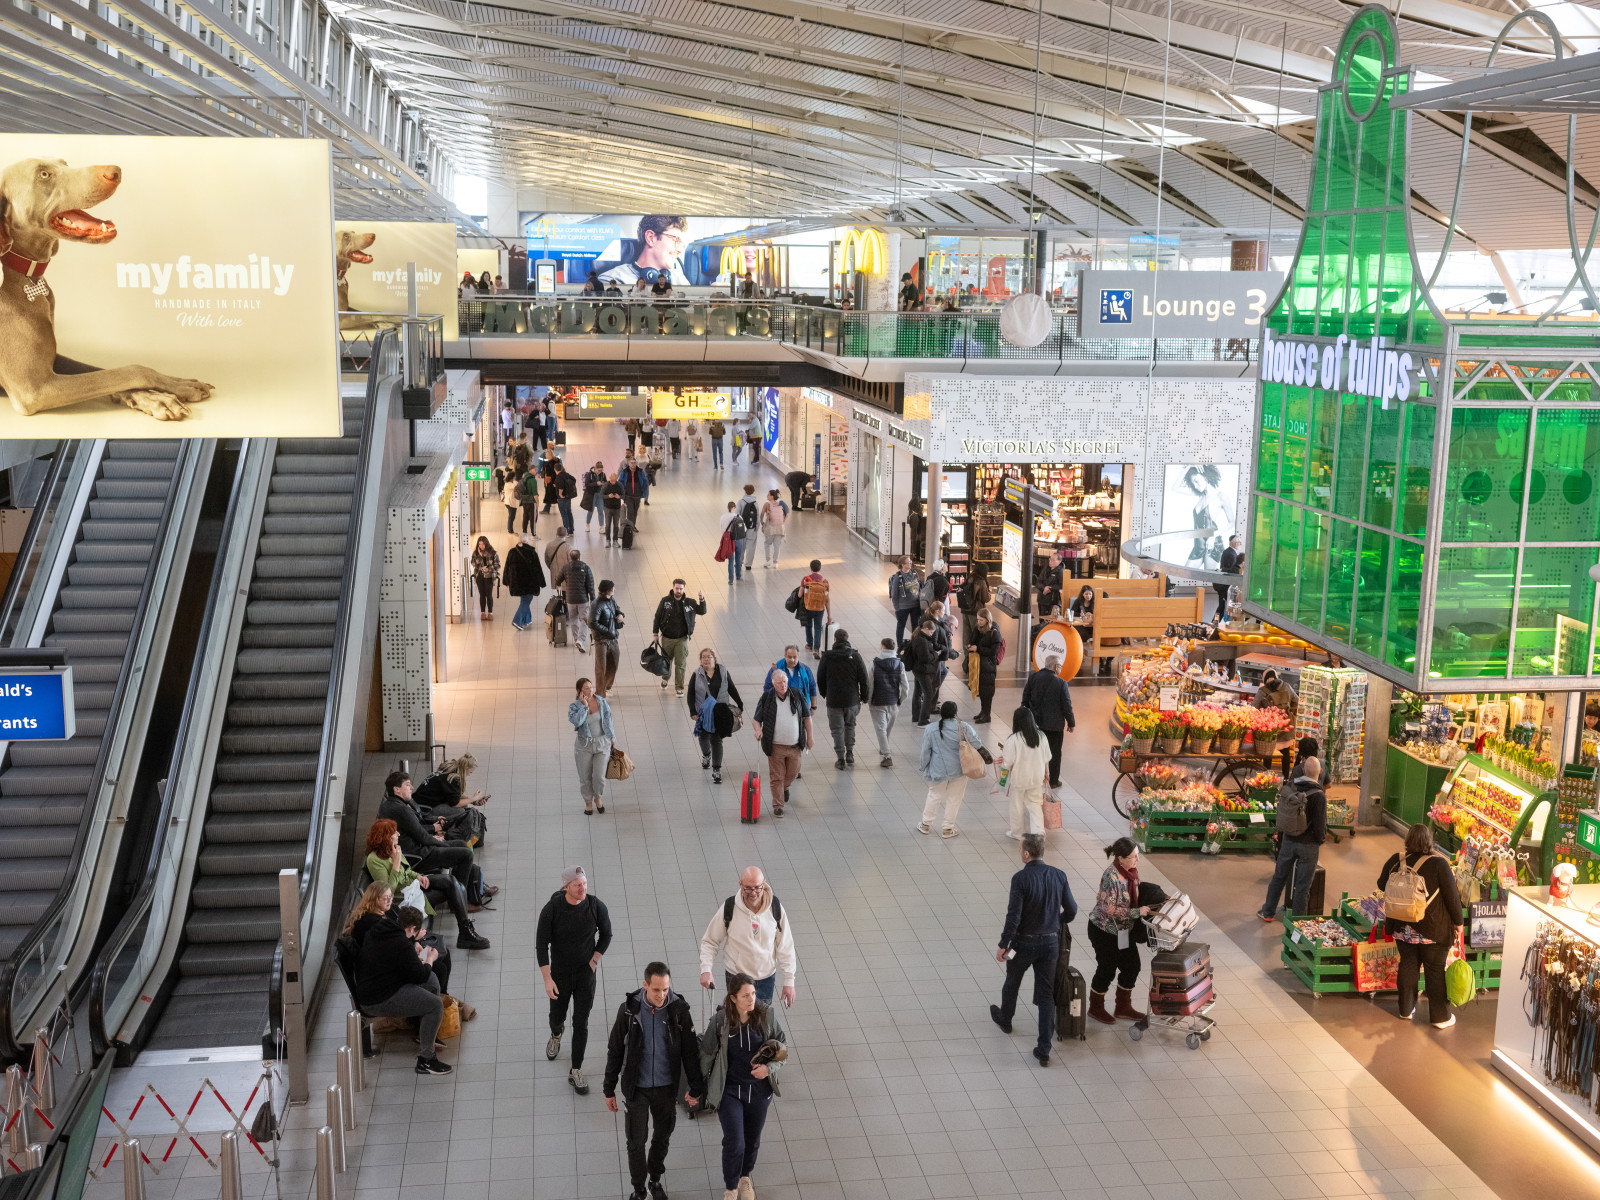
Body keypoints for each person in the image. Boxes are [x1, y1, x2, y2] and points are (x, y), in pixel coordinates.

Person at [602, 962, 705, 1200]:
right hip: (636, 1088)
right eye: (656, 989)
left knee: (662, 1137)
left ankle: (655, 1180)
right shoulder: (629, 1011)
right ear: (645, 985)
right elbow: (615, 1050)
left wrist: (696, 1087)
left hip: (666, 1089)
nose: (661, 995)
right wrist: (609, 1089)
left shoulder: (679, 1010)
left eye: (665, 989)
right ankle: (639, 1189)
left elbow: (690, 1052)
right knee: (635, 1143)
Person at [991, 834, 1076, 1067]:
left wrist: (1004, 944)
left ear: (1027, 853)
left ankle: (1006, 1019)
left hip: (1022, 944)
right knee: (1046, 993)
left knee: (1012, 981)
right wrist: (1055, 922)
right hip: (1050, 944)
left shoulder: (1020, 879)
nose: (1019, 851)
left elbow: (1014, 917)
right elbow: (1072, 910)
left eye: (1020, 848)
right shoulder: (1059, 875)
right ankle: (1044, 1049)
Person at [700, 976, 786, 1200]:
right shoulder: (721, 1021)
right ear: (733, 998)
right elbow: (706, 1054)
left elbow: (782, 1048)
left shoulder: (766, 1016)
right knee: (735, 1142)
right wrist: (696, 1088)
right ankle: (731, 1187)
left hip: (759, 1091)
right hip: (730, 1091)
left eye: (754, 994)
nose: (751, 999)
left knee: (752, 1141)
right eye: (745, 995)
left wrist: (769, 1069)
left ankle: (745, 1177)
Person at [1378, 824, 1464, 1029]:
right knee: (1435, 971)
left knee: (1408, 964)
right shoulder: (1439, 864)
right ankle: (1440, 1018)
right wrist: (1459, 923)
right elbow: (1452, 898)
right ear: (1429, 841)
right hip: (1432, 930)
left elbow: (1382, 884)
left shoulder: (1396, 860)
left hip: (1401, 926)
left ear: (1408, 840)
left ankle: (1405, 1010)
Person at [538, 866, 613, 1095]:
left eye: (585, 883)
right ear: (566, 886)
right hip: (560, 974)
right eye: (577, 885)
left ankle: (576, 1069)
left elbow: (606, 934)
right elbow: (541, 945)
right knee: (556, 1016)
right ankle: (556, 1034)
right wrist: (547, 979)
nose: (583, 888)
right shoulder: (552, 909)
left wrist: (594, 960)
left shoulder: (596, 906)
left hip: (584, 975)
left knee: (581, 1022)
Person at [356, 904, 452, 1075]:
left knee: (432, 981)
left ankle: (427, 1033)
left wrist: (412, 943)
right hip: (378, 999)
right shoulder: (400, 943)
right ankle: (426, 1060)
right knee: (435, 1005)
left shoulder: (384, 929)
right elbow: (419, 976)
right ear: (412, 928)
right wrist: (430, 959)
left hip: (376, 987)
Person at [365, 819, 490, 949]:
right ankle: (465, 933)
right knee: (454, 888)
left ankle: (465, 931)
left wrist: (419, 876)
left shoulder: (393, 849)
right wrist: (396, 863)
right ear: (385, 838)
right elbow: (388, 891)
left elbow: (407, 871)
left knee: (451, 881)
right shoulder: (374, 860)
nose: (398, 834)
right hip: (405, 900)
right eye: (394, 832)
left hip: (414, 886)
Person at [698, 868, 798, 1007]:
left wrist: (789, 980)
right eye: (748, 888)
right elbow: (710, 941)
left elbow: (786, 945)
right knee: (737, 1019)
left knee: (761, 1019)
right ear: (740, 884)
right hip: (737, 978)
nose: (753, 892)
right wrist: (706, 969)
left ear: (764, 883)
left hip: (765, 979)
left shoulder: (775, 908)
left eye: (757, 887)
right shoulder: (730, 907)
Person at [377, 770, 476, 892]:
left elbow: (416, 828)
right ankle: (460, 894)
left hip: (417, 848)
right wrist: (441, 843)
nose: (412, 787)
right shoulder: (401, 809)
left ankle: (467, 888)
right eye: (407, 785)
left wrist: (435, 834)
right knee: (466, 855)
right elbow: (422, 836)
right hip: (418, 855)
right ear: (397, 789)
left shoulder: (392, 805)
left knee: (461, 844)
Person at [1255, 757, 1328, 922]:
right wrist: (1319, 841)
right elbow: (1320, 825)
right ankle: (1297, 923)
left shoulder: (1292, 786)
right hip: (1309, 845)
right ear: (1320, 772)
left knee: (1279, 877)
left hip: (1288, 839)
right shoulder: (1319, 796)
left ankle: (1268, 912)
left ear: (1303, 770)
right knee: (1303, 886)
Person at [1086, 837, 1150, 1024]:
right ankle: (1095, 1008)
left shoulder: (1131, 873)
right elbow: (1108, 909)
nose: (1137, 860)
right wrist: (1137, 912)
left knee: (1132, 966)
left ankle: (1123, 1007)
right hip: (1104, 931)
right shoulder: (1111, 876)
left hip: (1123, 930)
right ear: (1120, 858)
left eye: (1137, 855)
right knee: (1107, 969)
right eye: (1133, 857)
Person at [918, 700, 985, 839]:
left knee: (934, 795)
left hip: (938, 770)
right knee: (954, 798)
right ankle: (948, 828)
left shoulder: (931, 729)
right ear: (955, 713)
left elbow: (925, 752)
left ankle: (925, 824)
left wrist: (923, 766)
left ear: (941, 713)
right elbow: (977, 743)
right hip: (959, 770)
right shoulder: (964, 727)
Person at [752, 668, 812, 817]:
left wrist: (810, 737)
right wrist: (758, 730)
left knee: (793, 773)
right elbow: (756, 720)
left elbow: (807, 717)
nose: (783, 685)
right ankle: (778, 805)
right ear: (773, 684)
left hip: (795, 745)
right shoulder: (767, 698)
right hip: (775, 746)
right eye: (779, 683)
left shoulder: (797, 695)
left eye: (784, 682)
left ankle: (784, 787)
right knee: (777, 776)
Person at [688, 648, 743, 785]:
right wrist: (692, 711)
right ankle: (706, 755)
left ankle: (716, 769)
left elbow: (731, 688)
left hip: (720, 711)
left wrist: (740, 703)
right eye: (703, 657)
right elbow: (690, 693)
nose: (706, 659)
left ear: (714, 658)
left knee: (716, 740)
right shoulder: (697, 674)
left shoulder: (723, 671)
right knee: (703, 737)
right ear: (700, 660)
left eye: (709, 656)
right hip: (703, 712)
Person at [816, 627, 868, 769]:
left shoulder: (827, 656)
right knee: (850, 725)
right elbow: (864, 678)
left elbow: (820, 677)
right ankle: (850, 753)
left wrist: (824, 693)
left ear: (834, 639)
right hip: (852, 700)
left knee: (837, 729)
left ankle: (840, 759)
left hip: (834, 700)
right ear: (847, 639)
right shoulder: (855, 656)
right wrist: (864, 697)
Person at [1021, 657, 1075, 791]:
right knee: (1054, 753)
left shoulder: (1033, 678)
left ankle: (1034, 778)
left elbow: (1025, 699)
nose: (1061, 668)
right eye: (1060, 666)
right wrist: (1071, 722)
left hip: (1035, 724)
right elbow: (1066, 705)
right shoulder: (1061, 683)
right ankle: (1053, 781)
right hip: (1054, 726)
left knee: (1035, 751)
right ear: (1056, 666)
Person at [596, 214, 689, 289]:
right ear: (650, 238)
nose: (680, 250)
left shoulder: (679, 279)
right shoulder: (612, 280)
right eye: (675, 239)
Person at [1000, 709, 1050, 839]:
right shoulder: (1041, 736)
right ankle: (1039, 832)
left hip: (1019, 778)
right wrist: (1047, 773)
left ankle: (1017, 833)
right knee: (1035, 804)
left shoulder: (1014, 739)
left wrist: (1002, 777)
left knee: (1016, 805)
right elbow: (1046, 758)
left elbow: (1007, 762)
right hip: (1036, 777)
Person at [651, 579, 707, 695]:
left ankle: (679, 687)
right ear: (673, 587)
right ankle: (665, 678)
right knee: (666, 662)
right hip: (667, 638)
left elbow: (702, 611)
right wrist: (655, 633)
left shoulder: (690, 602)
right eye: (677, 588)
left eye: (681, 589)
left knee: (680, 664)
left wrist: (701, 599)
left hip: (682, 639)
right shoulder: (665, 601)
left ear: (684, 589)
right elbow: (657, 617)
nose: (679, 591)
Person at [567, 678, 613, 816]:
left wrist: (612, 738)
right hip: (584, 746)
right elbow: (577, 722)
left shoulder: (602, 702)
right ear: (580, 691)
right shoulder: (575, 706)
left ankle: (598, 797)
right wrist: (585, 706)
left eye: (591, 687)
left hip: (602, 744)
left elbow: (608, 720)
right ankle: (588, 802)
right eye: (586, 688)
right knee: (585, 777)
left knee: (599, 777)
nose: (590, 690)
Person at [869, 636, 908, 768]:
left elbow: (870, 684)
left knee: (880, 729)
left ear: (882, 647)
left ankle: (887, 755)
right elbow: (906, 687)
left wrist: (869, 700)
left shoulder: (875, 664)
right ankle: (884, 747)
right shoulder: (900, 664)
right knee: (887, 728)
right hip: (893, 701)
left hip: (878, 701)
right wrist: (900, 700)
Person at [1254, 669, 1299, 776]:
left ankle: (1266, 777)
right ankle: (1286, 777)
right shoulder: (1286, 686)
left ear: (1264, 679)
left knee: (1268, 754)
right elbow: (1296, 701)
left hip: (1269, 728)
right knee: (1285, 753)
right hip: (1285, 726)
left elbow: (1254, 707)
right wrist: (1288, 710)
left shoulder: (1262, 691)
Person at [907, 616, 949, 726]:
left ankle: (916, 717)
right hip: (923, 671)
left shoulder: (917, 636)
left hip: (917, 669)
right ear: (926, 629)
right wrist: (936, 654)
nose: (931, 635)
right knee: (929, 694)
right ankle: (923, 720)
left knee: (917, 692)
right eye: (931, 632)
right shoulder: (922, 641)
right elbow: (925, 658)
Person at [554, 548, 595, 653]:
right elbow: (590, 585)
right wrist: (593, 599)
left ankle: (577, 639)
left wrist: (560, 587)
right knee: (584, 620)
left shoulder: (565, 568)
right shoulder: (586, 568)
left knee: (573, 620)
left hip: (570, 599)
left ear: (570, 557)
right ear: (579, 557)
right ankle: (580, 640)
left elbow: (557, 581)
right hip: (582, 599)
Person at [589, 579, 623, 697]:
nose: (614, 589)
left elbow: (617, 609)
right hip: (601, 641)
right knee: (601, 668)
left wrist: (620, 614)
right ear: (607, 590)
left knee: (614, 664)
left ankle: (607, 686)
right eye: (613, 588)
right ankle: (600, 693)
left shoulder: (611, 600)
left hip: (613, 639)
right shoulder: (596, 604)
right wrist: (608, 631)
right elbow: (592, 623)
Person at [969, 609, 1002, 723]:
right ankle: (983, 712)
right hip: (979, 665)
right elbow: (973, 641)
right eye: (978, 620)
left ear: (987, 620)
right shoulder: (978, 629)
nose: (979, 622)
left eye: (981, 620)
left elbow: (993, 652)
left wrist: (978, 649)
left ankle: (987, 715)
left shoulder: (994, 633)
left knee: (987, 692)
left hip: (988, 666)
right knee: (982, 691)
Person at [797, 559, 831, 658]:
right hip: (820, 608)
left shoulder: (806, 579)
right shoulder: (824, 581)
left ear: (810, 568)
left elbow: (799, 595)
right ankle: (816, 648)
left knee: (808, 625)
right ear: (820, 568)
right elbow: (827, 599)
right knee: (818, 627)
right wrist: (829, 615)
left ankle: (809, 645)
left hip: (808, 607)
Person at [888, 555, 923, 647]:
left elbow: (919, 588)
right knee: (901, 625)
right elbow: (894, 594)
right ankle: (900, 645)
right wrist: (897, 608)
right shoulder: (898, 577)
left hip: (915, 605)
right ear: (902, 564)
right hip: (903, 607)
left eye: (911, 562)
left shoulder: (914, 573)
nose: (910, 564)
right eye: (908, 563)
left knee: (915, 626)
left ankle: (915, 644)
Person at [956, 562, 993, 647]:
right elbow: (985, 598)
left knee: (966, 632)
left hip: (965, 608)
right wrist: (989, 593)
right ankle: (975, 651)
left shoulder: (970, 577)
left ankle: (966, 652)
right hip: (975, 611)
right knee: (976, 632)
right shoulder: (981, 581)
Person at [469, 536, 499, 620]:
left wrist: (488, 569)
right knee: (482, 594)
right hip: (479, 576)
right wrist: (480, 556)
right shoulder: (476, 553)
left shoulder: (493, 553)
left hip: (489, 576)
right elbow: (473, 563)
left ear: (486, 544)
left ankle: (490, 613)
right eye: (479, 544)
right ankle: (482, 613)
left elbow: (497, 565)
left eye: (483, 544)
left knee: (488, 594)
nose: (481, 546)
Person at [1216, 533, 1242, 624]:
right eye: (1239, 542)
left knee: (1221, 607)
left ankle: (1213, 624)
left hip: (1223, 585)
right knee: (1223, 608)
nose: (1240, 544)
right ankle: (1214, 625)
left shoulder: (1228, 552)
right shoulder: (1231, 554)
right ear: (1232, 543)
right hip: (1226, 586)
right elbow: (1231, 572)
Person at [719, 500, 747, 583]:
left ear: (727, 508)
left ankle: (731, 579)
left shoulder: (723, 517)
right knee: (738, 559)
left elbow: (721, 529)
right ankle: (738, 576)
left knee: (731, 560)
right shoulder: (739, 517)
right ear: (735, 508)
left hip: (729, 540)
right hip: (738, 539)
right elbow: (744, 529)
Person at [759, 489, 787, 568]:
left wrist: (762, 522)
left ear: (772, 496)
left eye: (768, 495)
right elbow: (786, 514)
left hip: (770, 528)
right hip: (780, 528)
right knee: (777, 546)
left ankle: (768, 561)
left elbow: (762, 514)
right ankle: (775, 562)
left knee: (767, 544)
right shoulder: (780, 504)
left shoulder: (767, 504)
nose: (767, 496)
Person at [619, 455, 650, 527]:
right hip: (628, 495)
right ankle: (631, 527)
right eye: (631, 463)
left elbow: (645, 482)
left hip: (637, 495)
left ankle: (632, 525)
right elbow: (620, 482)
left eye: (634, 463)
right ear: (628, 463)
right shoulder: (625, 472)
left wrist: (643, 492)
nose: (633, 464)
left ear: (636, 463)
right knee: (630, 511)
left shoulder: (640, 471)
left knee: (635, 512)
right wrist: (622, 493)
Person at [1034, 551, 1065, 618]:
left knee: (1048, 619)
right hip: (1041, 598)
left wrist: (1050, 589)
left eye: (1053, 560)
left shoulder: (1061, 571)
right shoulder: (1046, 568)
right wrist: (1044, 588)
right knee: (1041, 617)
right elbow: (1038, 582)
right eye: (1050, 559)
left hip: (1052, 600)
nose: (1050, 561)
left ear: (1059, 561)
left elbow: (1061, 585)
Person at [736, 484, 760, 573]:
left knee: (741, 546)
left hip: (742, 528)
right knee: (751, 547)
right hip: (751, 528)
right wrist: (756, 527)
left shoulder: (740, 502)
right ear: (753, 492)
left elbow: (737, 515)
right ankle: (748, 565)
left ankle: (739, 562)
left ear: (745, 491)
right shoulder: (755, 503)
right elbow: (757, 516)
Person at [580, 461, 607, 531]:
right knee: (591, 511)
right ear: (595, 469)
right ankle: (587, 524)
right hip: (592, 495)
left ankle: (601, 526)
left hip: (600, 494)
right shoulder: (590, 474)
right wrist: (596, 483)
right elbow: (587, 485)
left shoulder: (603, 474)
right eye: (599, 470)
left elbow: (606, 483)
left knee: (600, 511)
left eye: (601, 470)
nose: (600, 472)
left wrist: (604, 484)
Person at [601, 472, 626, 544]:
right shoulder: (605, 485)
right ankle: (608, 540)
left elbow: (624, 495)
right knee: (608, 525)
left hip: (617, 508)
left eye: (614, 481)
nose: (613, 482)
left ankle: (615, 540)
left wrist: (619, 497)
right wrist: (608, 496)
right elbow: (601, 495)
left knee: (616, 525)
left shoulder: (620, 485)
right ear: (609, 478)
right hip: (607, 507)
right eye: (612, 481)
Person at [518, 464, 541, 534]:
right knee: (533, 518)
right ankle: (533, 534)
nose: (536, 471)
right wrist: (537, 502)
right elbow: (535, 493)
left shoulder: (524, 477)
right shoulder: (533, 480)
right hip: (531, 501)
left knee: (525, 517)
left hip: (524, 500)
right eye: (535, 470)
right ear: (530, 470)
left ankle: (524, 532)